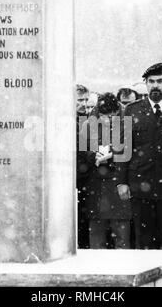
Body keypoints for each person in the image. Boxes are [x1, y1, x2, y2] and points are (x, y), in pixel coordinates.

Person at [116, 63, 162, 250]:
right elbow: (122, 148)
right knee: (143, 240)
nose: (155, 85)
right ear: (146, 84)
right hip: (140, 183)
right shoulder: (131, 110)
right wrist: (121, 181)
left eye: (159, 81)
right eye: (151, 82)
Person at [80, 93, 132, 249]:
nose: (107, 120)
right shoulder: (88, 123)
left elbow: (131, 149)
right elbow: (82, 150)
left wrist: (112, 155)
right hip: (96, 185)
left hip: (119, 182)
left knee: (121, 234)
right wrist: (92, 155)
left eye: (111, 117)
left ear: (117, 111)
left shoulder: (126, 121)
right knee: (96, 234)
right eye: (104, 117)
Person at [76, 84, 91, 248]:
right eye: (80, 100)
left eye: (86, 99)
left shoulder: (89, 120)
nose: (84, 103)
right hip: (70, 181)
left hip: (87, 181)